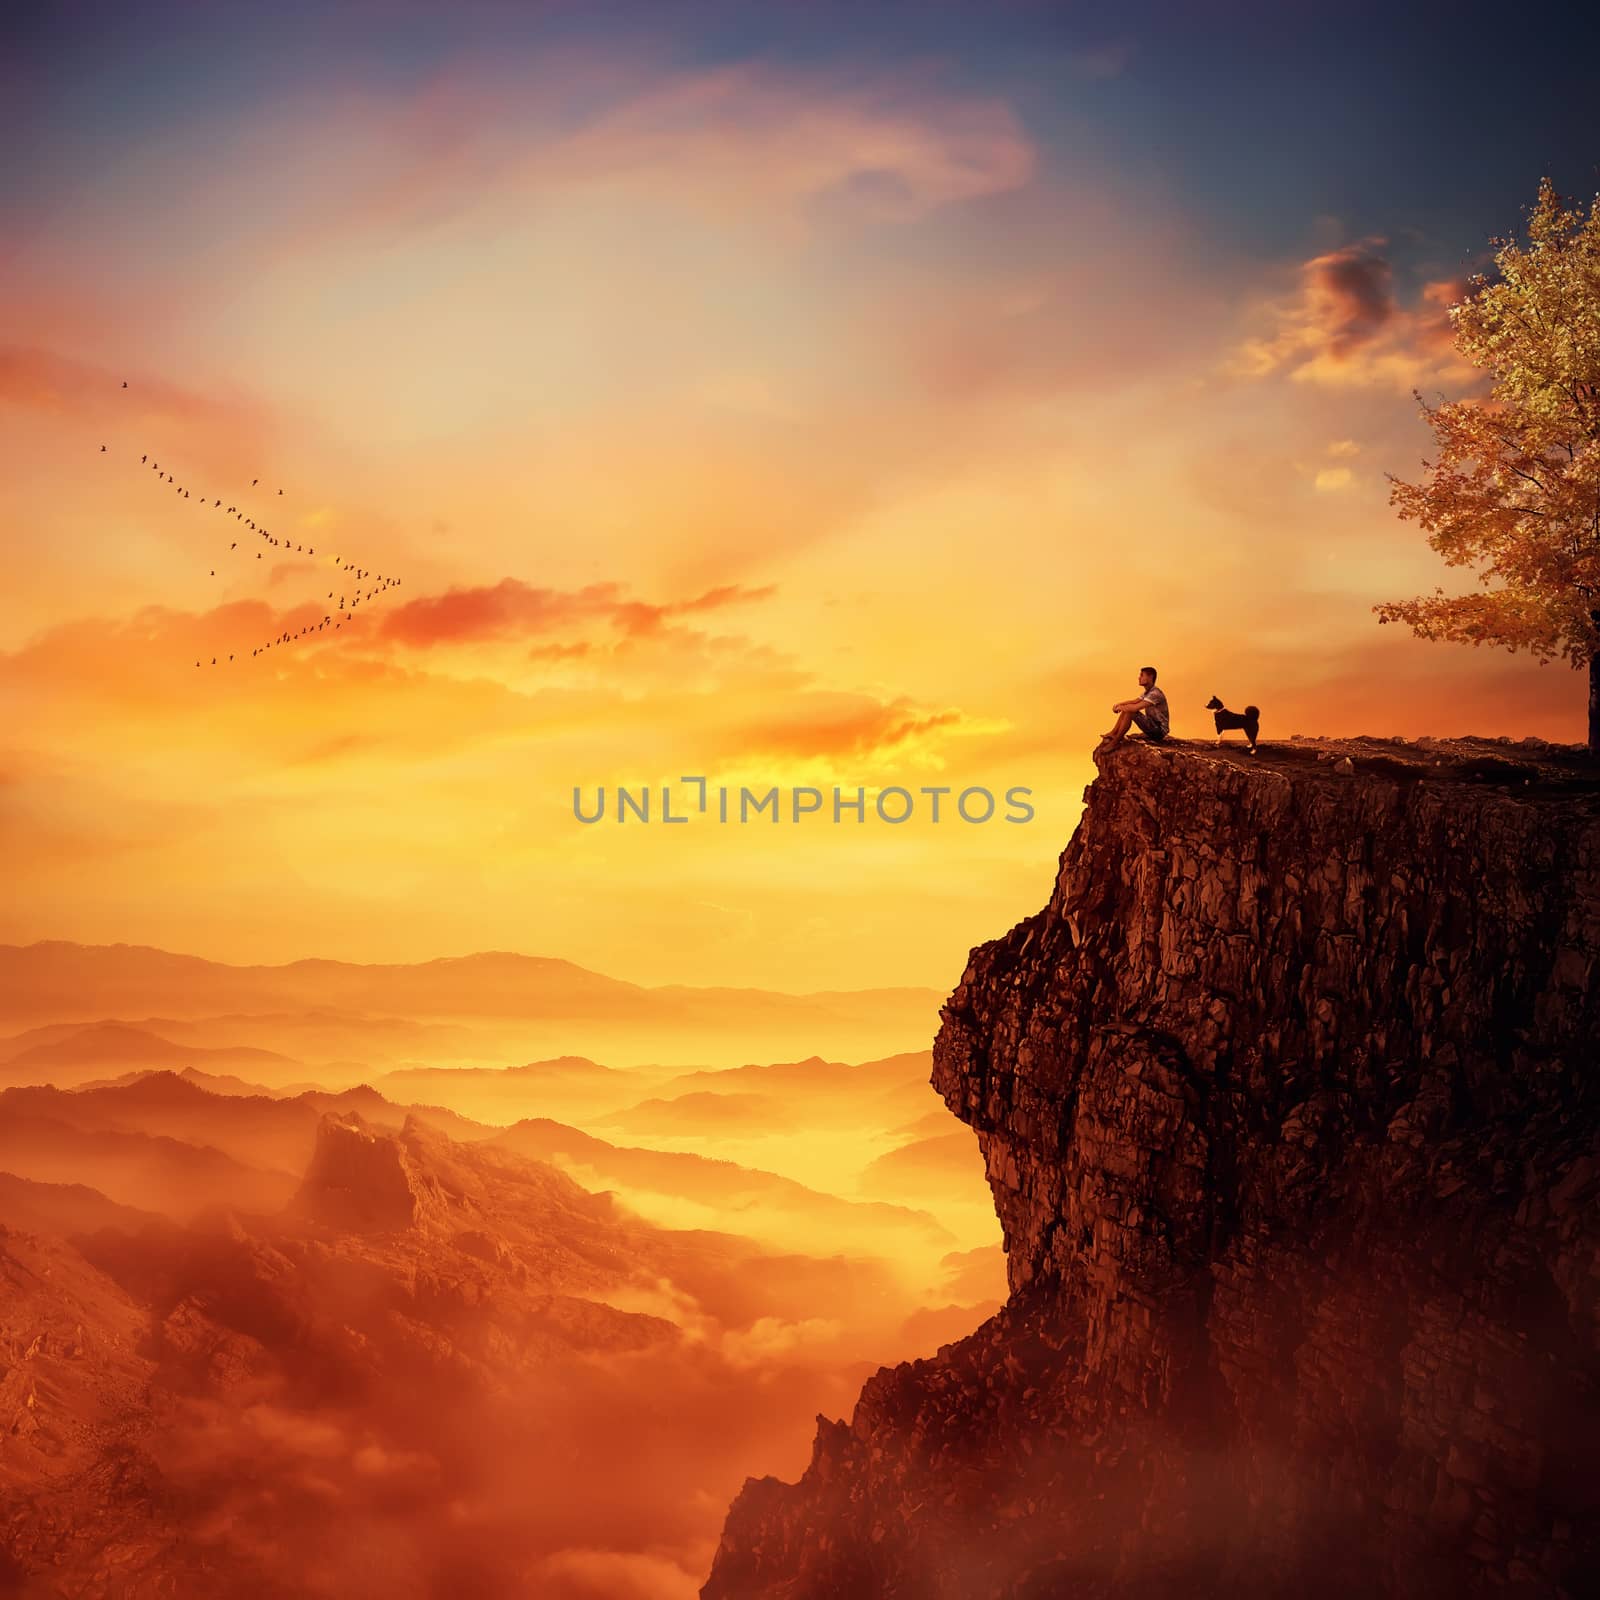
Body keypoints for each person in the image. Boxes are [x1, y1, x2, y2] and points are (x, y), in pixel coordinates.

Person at [1096, 666, 1169, 753]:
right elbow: (1134, 702)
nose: (1139, 677)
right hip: (1152, 725)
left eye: (1142, 675)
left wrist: (1120, 708)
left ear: (1150, 677)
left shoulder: (1155, 694)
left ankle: (1116, 742)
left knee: (1130, 712)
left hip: (1159, 730)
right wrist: (1119, 704)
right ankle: (1113, 733)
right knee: (1127, 709)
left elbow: (1135, 708)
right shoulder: (1147, 692)